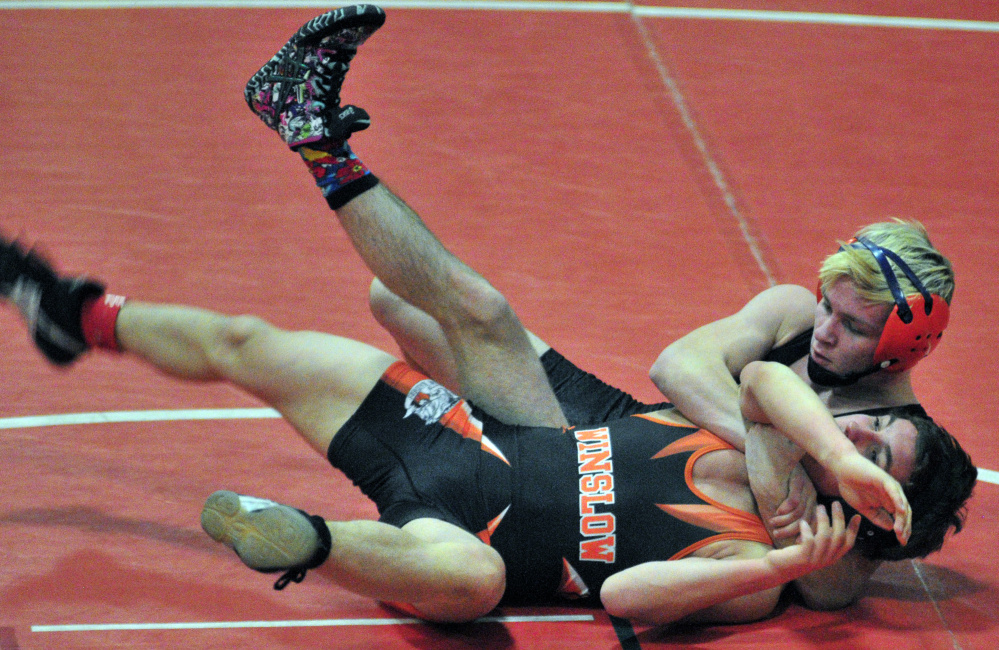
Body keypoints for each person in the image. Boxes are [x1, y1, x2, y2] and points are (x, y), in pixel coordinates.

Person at [0, 5, 974, 627]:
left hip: (541, 491)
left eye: (852, 324)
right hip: (586, 430)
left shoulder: (819, 513)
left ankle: (310, 538)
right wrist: (799, 458)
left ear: (900, 347)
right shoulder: (802, 364)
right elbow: (709, 375)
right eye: (833, 305)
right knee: (396, 310)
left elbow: (827, 575)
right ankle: (75, 309)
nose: (829, 331)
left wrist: (798, 522)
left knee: (466, 573)